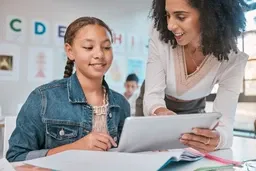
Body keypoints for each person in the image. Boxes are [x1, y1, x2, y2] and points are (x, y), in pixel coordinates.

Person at [7, 16, 130, 162]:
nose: (100, 55)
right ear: (70, 51)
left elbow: (124, 156)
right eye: (88, 47)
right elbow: (16, 157)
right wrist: (75, 148)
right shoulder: (43, 98)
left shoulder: (121, 104)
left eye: (106, 47)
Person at [144, 0, 249, 153]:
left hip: (194, 110)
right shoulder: (160, 37)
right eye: (167, 15)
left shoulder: (233, 60)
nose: (170, 25)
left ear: (209, 16)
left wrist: (218, 139)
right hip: (154, 106)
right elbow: (152, 97)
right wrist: (160, 112)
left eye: (180, 16)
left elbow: (226, 125)